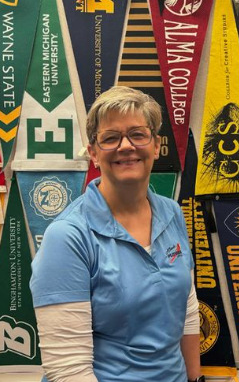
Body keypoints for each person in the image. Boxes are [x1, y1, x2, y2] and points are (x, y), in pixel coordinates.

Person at [30, 86, 204, 382]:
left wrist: (194, 377)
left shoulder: (171, 212)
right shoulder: (68, 237)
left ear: (155, 145)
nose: (126, 146)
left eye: (138, 134)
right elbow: (68, 369)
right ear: (94, 154)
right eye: (111, 138)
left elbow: (185, 307)